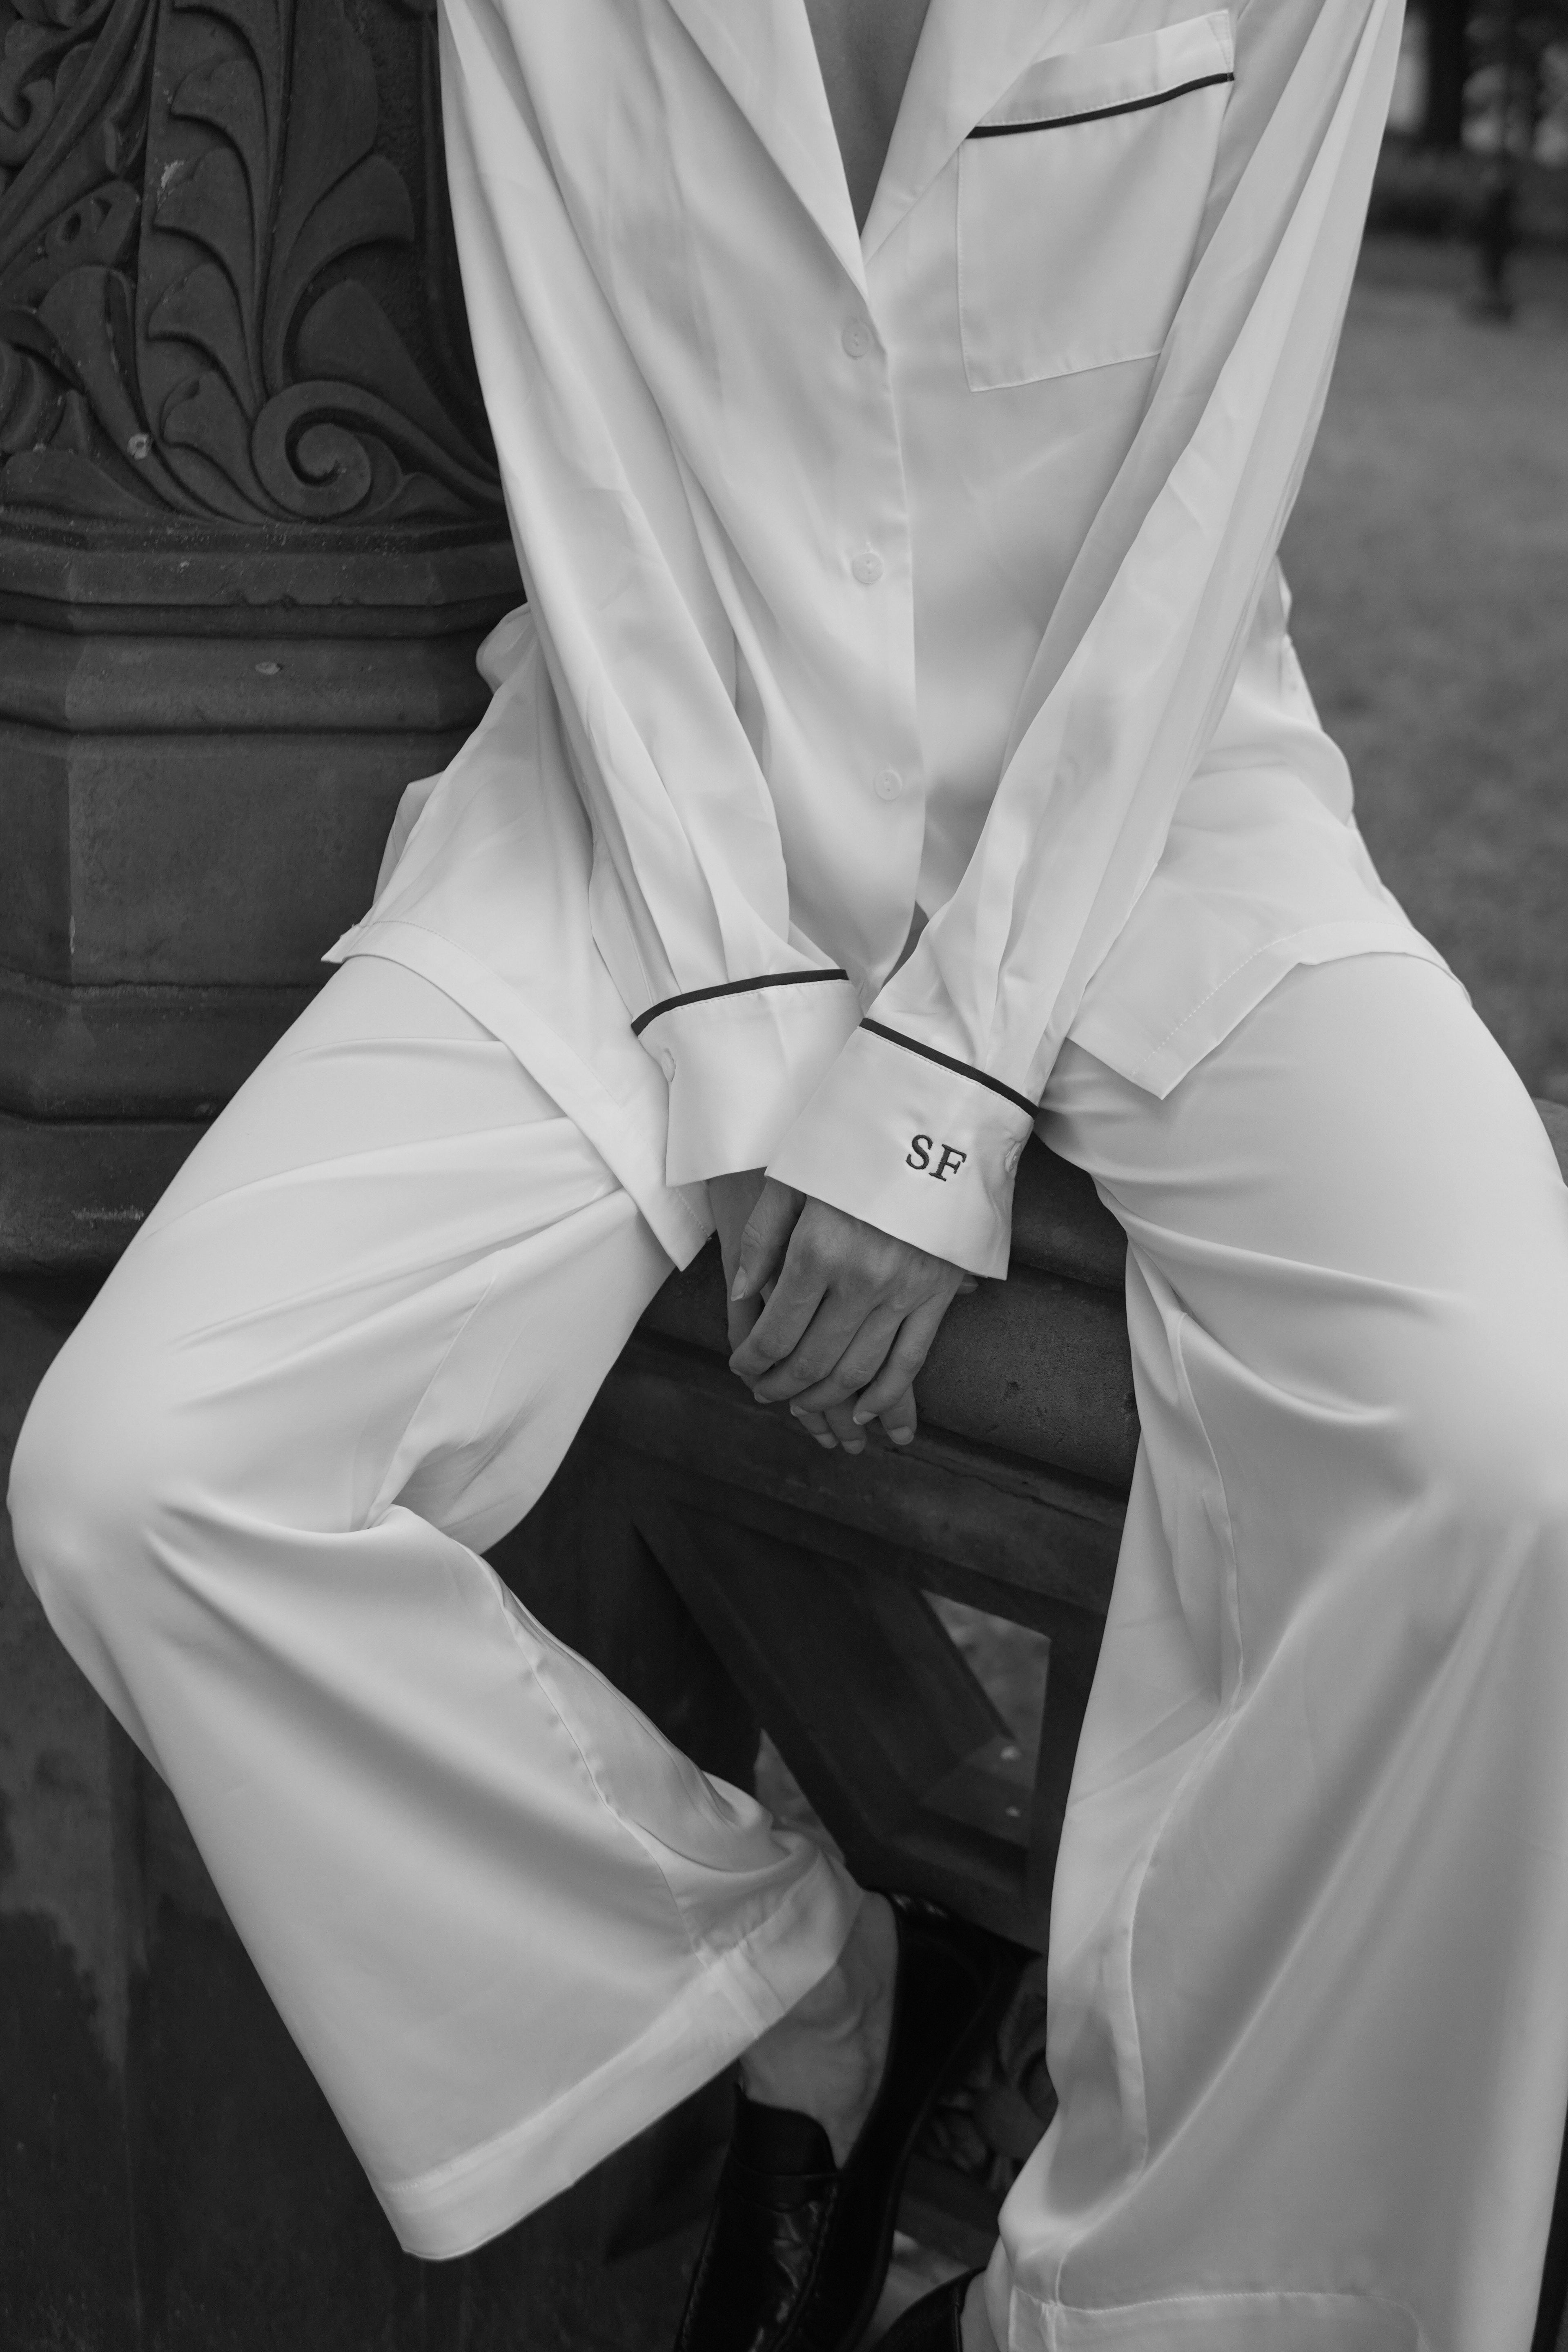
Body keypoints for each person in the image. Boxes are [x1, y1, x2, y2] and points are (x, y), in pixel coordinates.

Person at [10, 0, 1568, 2345]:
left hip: (1147, 797)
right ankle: (779, 1975)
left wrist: (940, 1090)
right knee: (142, 1478)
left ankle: (1147, 2309)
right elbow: (587, 448)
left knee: (1505, 1433)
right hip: (651, 810)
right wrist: (753, 1052)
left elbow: (1211, 468)